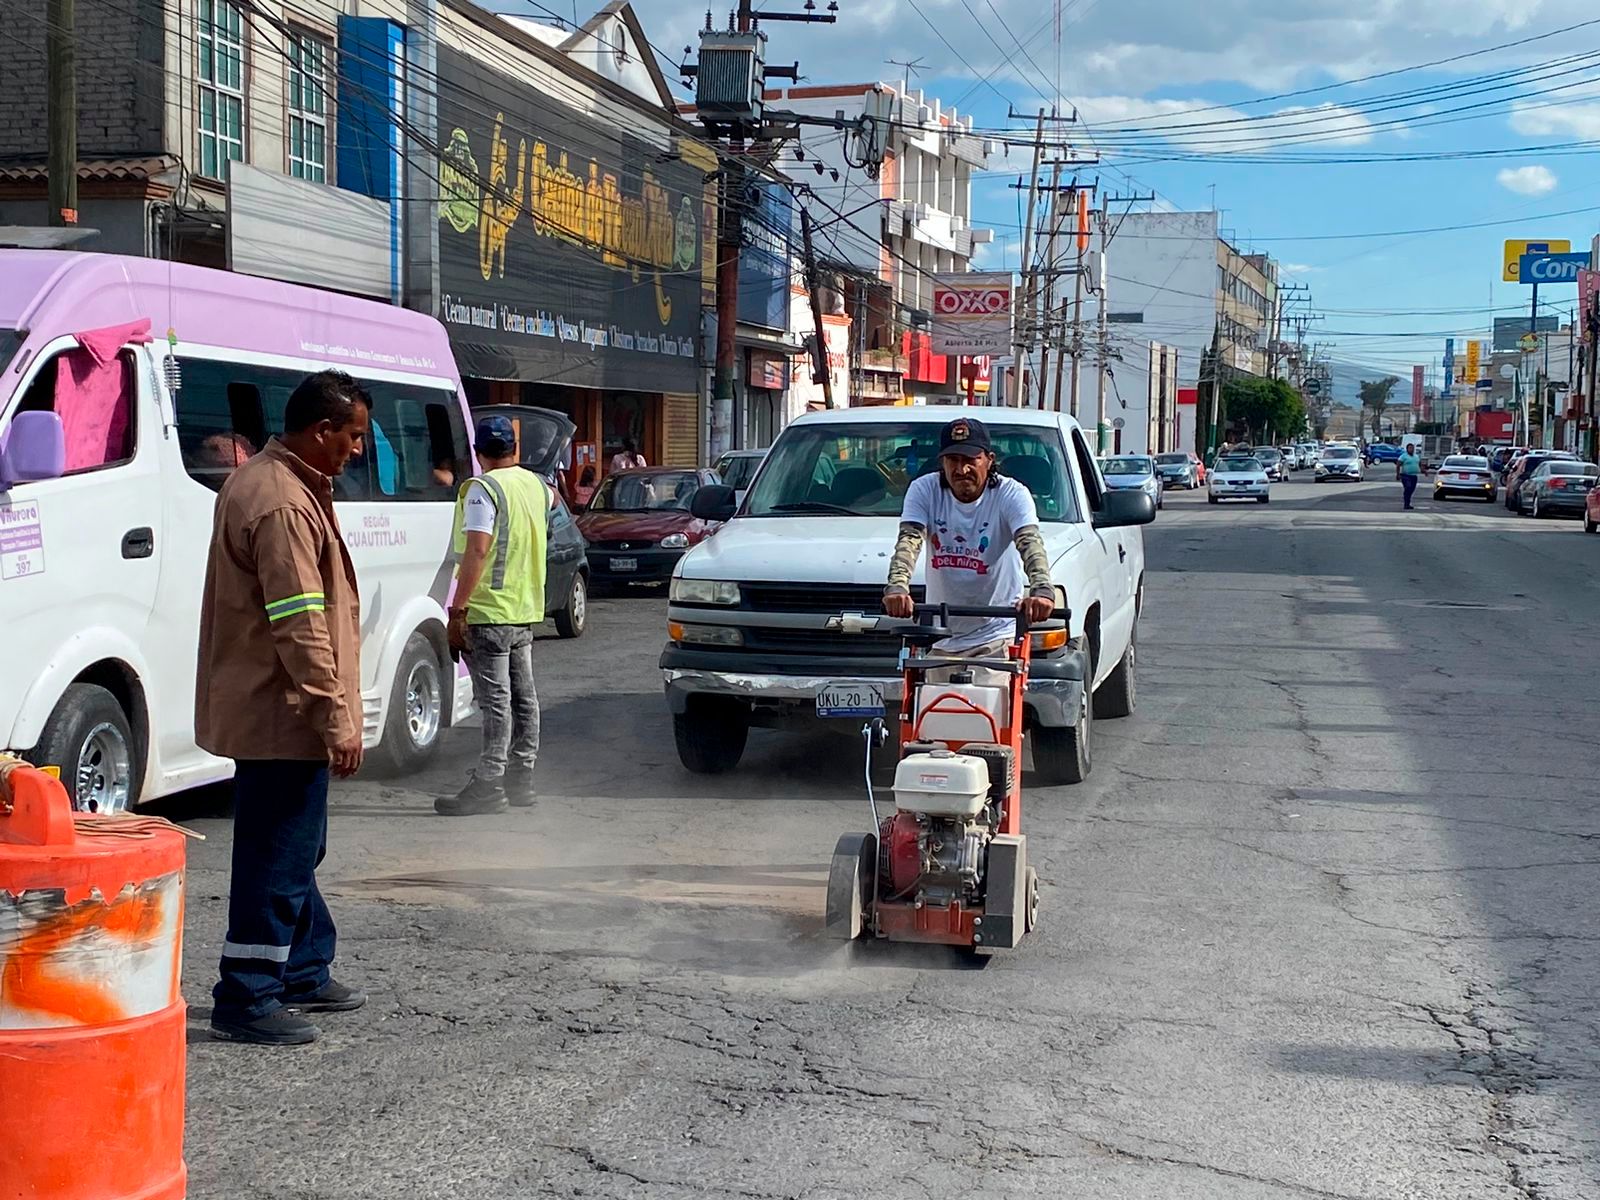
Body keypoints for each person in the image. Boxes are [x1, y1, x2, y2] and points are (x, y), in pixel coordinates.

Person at [197, 370, 371, 1047]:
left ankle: (302, 965)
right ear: (321, 430)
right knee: (277, 853)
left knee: (299, 845)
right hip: (283, 712)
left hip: (275, 705)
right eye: (353, 436)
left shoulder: (283, 484)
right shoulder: (283, 502)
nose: (358, 449)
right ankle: (246, 994)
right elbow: (300, 624)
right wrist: (336, 719)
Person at [437, 415, 550, 816]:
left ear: (478, 452)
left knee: (497, 701)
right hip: (524, 609)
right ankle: (522, 779)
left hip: (488, 611)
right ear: (514, 450)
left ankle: (488, 782)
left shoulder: (483, 489)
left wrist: (458, 610)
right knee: (525, 699)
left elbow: (478, 550)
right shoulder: (539, 487)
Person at [882, 417, 1056, 649]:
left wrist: (1042, 588)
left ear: (988, 460)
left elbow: (1029, 543)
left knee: (987, 686)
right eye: (953, 460)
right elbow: (909, 541)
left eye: (970, 460)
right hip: (939, 633)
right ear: (942, 462)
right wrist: (897, 586)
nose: (961, 469)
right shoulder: (924, 489)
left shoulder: (1011, 494)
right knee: (929, 688)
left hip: (995, 632)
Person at [1397, 440, 1422, 509]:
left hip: (1414, 476)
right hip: (1405, 475)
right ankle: (1406, 503)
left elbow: (1419, 464)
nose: (1411, 449)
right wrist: (1398, 474)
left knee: (1411, 489)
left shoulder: (1416, 456)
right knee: (1408, 487)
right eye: (1410, 448)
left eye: (1412, 448)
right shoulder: (1403, 456)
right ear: (1407, 449)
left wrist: (1424, 471)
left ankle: (1408, 503)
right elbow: (1398, 465)